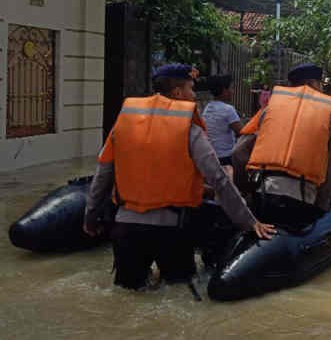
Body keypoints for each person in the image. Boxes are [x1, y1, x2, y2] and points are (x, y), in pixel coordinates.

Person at [84, 64, 274, 291]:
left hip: (126, 229)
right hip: (171, 231)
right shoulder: (189, 130)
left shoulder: (123, 125)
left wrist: (91, 217)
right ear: (177, 93)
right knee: (179, 294)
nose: (194, 95)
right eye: (191, 89)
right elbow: (219, 180)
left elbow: (102, 176)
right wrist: (250, 222)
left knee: (128, 294)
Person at [236, 63, 331, 232]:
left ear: (293, 86)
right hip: (301, 201)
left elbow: (238, 152)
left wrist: (245, 191)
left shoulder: (269, 110)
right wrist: (321, 207)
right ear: (314, 85)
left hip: (262, 195)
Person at [202, 74, 243, 179]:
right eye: (231, 88)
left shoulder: (208, 107)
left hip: (211, 156)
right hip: (226, 157)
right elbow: (241, 132)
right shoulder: (228, 109)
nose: (233, 92)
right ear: (225, 90)